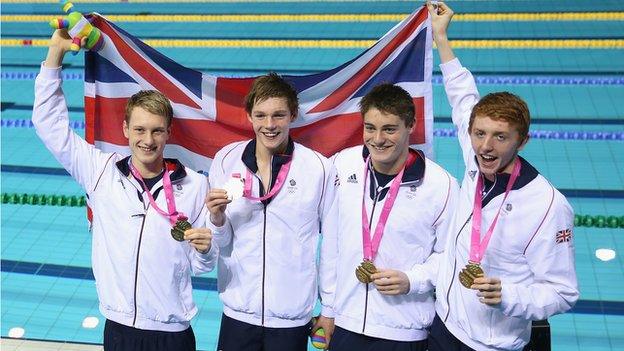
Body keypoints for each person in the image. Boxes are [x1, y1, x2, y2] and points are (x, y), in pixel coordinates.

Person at [32, 30, 217, 351]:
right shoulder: (100, 171)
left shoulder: (195, 185)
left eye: (157, 130)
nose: (148, 139)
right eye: (140, 130)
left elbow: (204, 267)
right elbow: (49, 125)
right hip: (118, 327)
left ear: (169, 133)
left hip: (172, 330)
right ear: (125, 130)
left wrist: (204, 248)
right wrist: (54, 56)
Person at [427, 2, 579, 350]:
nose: (485, 146)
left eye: (500, 137)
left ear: (522, 141)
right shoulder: (475, 156)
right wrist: (441, 37)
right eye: (479, 134)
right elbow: (462, 97)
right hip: (444, 327)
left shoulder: (547, 205)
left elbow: (563, 292)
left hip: (493, 345)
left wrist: (509, 296)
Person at [317, 83, 459, 351]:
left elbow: (451, 256)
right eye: (370, 128)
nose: (378, 139)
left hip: (404, 331)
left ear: (410, 126)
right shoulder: (342, 165)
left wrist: (413, 280)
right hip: (346, 324)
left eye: (389, 129)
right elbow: (332, 245)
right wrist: (328, 307)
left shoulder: (442, 185)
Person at [205, 73, 337, 350]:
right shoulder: (226, 160)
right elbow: (222, 242)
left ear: (293, 115)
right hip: (238, 313)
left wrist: (330, 308)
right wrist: (216, 220)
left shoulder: (318, 168)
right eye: (261, 115)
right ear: (250, 117)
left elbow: (333, 244)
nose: (269, 125)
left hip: (290, 320)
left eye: (278, 115)